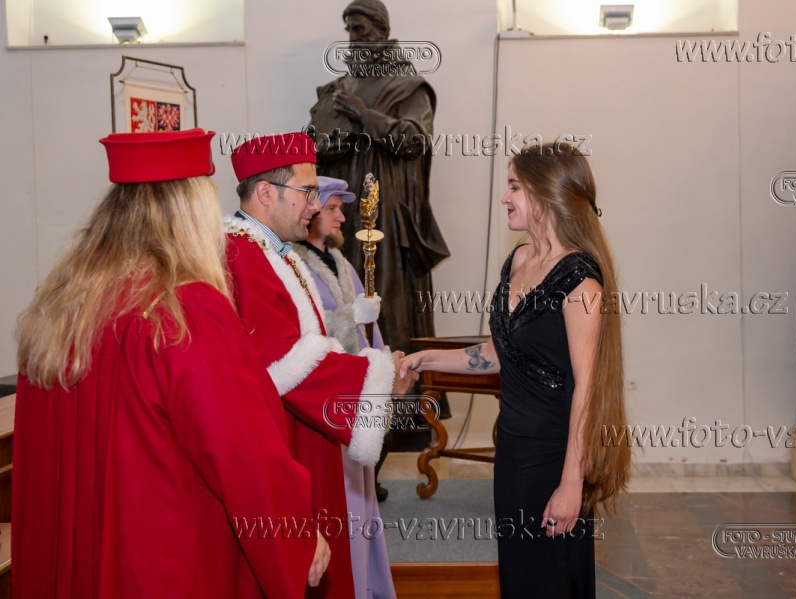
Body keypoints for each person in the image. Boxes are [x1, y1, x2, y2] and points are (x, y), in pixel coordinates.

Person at [13, 128, 329, 598]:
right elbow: (241, 451)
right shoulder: (185, 309)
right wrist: (294, 533)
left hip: (83, 557)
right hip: (165, 558)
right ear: (190, 213)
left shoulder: (60, 306)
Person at [400, 143, 631, 598]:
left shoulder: (580, 280)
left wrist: (571, 484)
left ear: (545, 195)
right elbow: (500, 351)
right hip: (513, 451)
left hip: (553, 457)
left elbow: (588, 388)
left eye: (514, 187)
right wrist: (426, 358)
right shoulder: (521, 259)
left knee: (547, 580)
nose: (504, 197)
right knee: (520, 578)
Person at [226, 132, 416, 599]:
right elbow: (281, 360)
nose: (315, 205)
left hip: (307, 431)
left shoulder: (272, 250)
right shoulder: (243, 255)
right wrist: (376, 377)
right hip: (285, 438)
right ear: (266, 193)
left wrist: (373, 369)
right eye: (307, 191)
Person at [308, 0, 450, 356]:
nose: (352, 37)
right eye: (349, 30)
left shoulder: (408, 86)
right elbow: (311, 144)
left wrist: (364, 116)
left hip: (385, 213)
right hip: (339, 208)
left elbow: (414, 140)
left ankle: (401, 380)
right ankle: (349, 375)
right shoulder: (336, 88)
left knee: (387, 295)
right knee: (341, 289)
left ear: (382, 31)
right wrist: (326, 144)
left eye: (360, 28)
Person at [296, 176, 396, 599]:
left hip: (359, 397)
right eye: (333, 208)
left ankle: (369, 584)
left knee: (363, 499)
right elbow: (304, 336)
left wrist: (384, 364)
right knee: (341, 500)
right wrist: (349, 318)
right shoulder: (296, 266)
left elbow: (366, 334)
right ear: (311, 212)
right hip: (327, 402)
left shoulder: (343, 263)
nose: (342, 217)